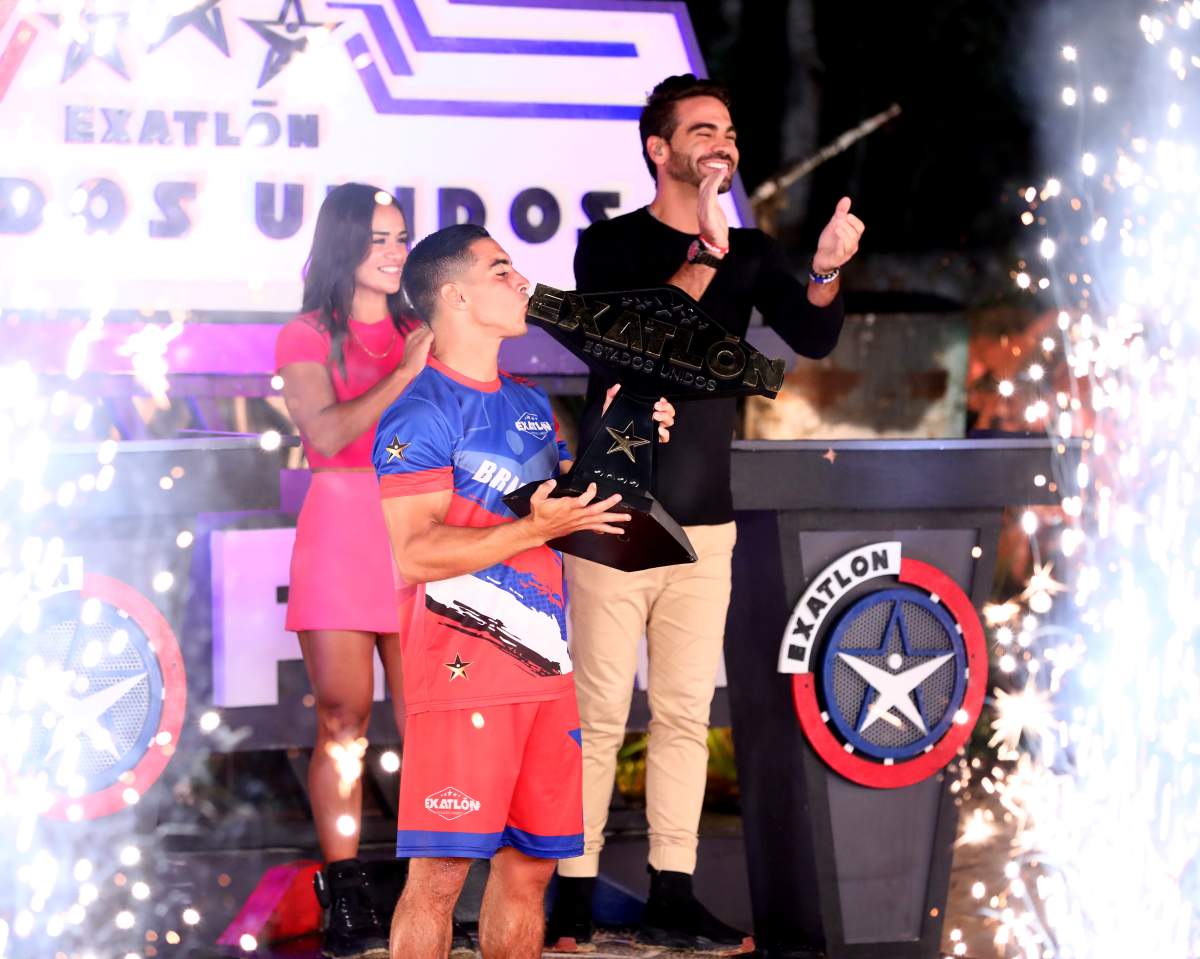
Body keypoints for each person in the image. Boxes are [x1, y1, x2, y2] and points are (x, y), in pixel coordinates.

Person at [546, 74, 865, 954]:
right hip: (612, 511)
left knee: (685, 711)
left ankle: (672, 892)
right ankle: (572, 894)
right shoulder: (608, 245)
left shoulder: (752, 250)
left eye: (728, 129)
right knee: (597, 714)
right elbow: (632, 340)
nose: (722, 142)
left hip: (706, 519)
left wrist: (826, 268)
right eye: (702, 130)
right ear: (659, 149)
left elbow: (813, 334)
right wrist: (709, 253)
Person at [369, 223, 674, 959]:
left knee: (531, 868)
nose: (521, 282)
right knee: (440, 876)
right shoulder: (418, 412)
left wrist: (629, 434)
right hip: (461, 673)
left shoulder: (529, 401)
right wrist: (531, 530)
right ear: (455, 296)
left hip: (545, 670)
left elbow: (574, 503)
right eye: (501, 270)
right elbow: (414, 552)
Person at [276, 183, 433, 959]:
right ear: (344, 242)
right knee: (343, 722)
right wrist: (403, 373)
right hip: (341, 531)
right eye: (379, 237)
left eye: (401, 236)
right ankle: (344, 891)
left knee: (428, 720)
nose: (396, 251)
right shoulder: (305, 334)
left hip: (417, 531)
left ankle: (433, 890)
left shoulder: (420, 327)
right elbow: (328, 434)